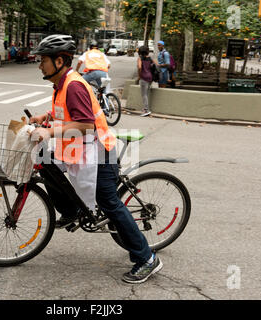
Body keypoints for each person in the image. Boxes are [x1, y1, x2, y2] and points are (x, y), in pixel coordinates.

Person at [29, 34, 162, 284]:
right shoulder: (62, 84)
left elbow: (86, 124)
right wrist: (43, 117)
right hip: (80, 149)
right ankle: (71, 210)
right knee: (46, 165)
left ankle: (147, 259)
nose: (39, 65)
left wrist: (48, 131)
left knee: (109, 202)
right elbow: (63, 113)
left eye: (42, 60)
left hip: (99, 151)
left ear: (59, 61)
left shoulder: (74, 84)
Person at [137, 45, 156, 117]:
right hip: (150, 77)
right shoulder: (150, 58)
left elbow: (139, 67)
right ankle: (146, 108)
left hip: (144, 78)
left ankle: (146, 110)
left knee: (144, 94)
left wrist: (139, 76)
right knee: (146, 93)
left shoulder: (140, 58)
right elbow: (156, 65)